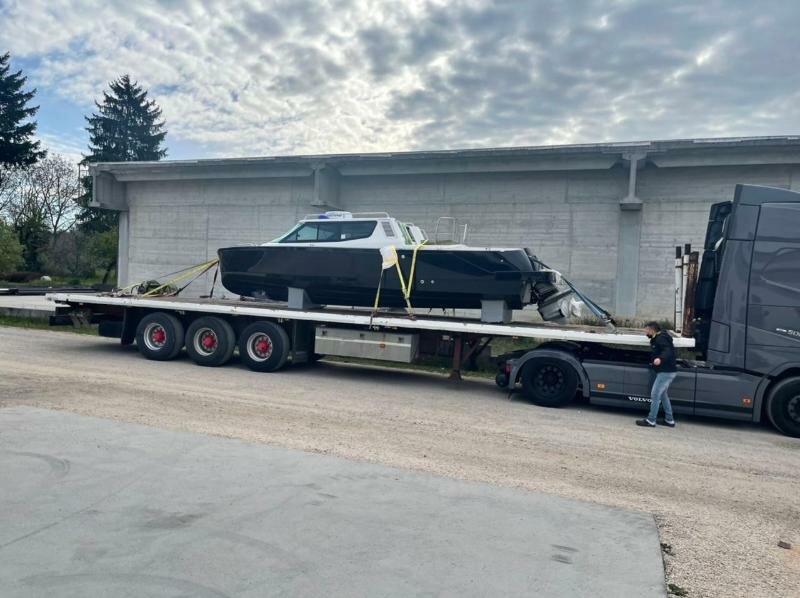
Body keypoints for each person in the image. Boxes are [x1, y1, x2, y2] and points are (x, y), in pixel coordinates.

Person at [636, 321, 677, 428]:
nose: (645, 333)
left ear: (652, 330)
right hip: (667, 371)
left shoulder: (660, 338)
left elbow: (667, 350)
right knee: (663, 396)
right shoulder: (659, 337)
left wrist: (660, 359)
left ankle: (651, 420)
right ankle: (669, 420)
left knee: (655, 395)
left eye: (646, 330)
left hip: (665, 372)